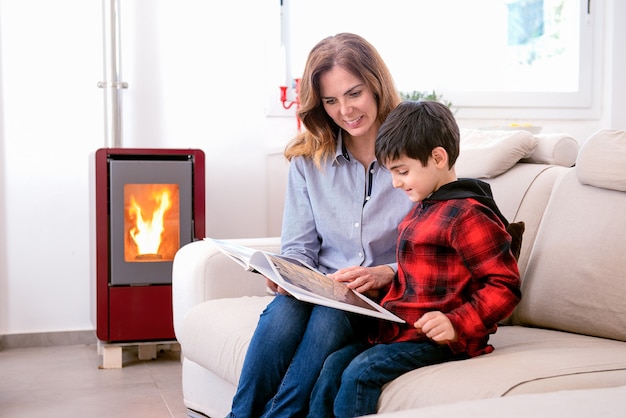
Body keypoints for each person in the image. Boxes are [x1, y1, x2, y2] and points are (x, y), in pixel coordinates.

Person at [226, 33, 414, 418]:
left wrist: (384, 272)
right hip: (321, 287)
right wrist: (286, 273)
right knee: (283, 312)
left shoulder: (416, 152)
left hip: (382, 296)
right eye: (330, 100)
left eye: (354, 93)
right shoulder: (307, 160)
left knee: (330, 315)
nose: (345, 110)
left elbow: (437, 243)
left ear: (376, 85)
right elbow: (298, 246)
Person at [307, 100, 523, 418]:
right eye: (392, 172)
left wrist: (457, 322)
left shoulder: (468, 215)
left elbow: (504, 285)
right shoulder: (424, 207)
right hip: (403, 330)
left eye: (402, 171)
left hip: (442, 338)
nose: (395, 183)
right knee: (334, 364)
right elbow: (417, 279)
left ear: (438, 158)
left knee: (359, 374)